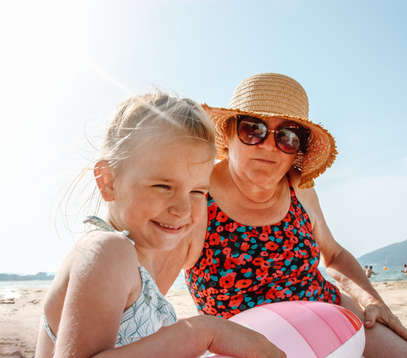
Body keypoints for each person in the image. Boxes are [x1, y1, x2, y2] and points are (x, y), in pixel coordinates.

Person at [183, 73, 407, 357]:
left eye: (287, 137)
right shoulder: (195, 195)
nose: (268, 145)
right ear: (229, 133)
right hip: (246, 343)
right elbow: (147, 279)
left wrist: (372, 300)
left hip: (332, 313)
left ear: (297, 151)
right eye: (253, 129)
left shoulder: (299, 189)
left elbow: (334, 256)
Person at [34, 91, 285, 358]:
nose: (183, 209)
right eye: (163, 186)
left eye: (198, 192)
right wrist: (203, 332)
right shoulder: (107, 251)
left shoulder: (138, 265)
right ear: (108, 181)